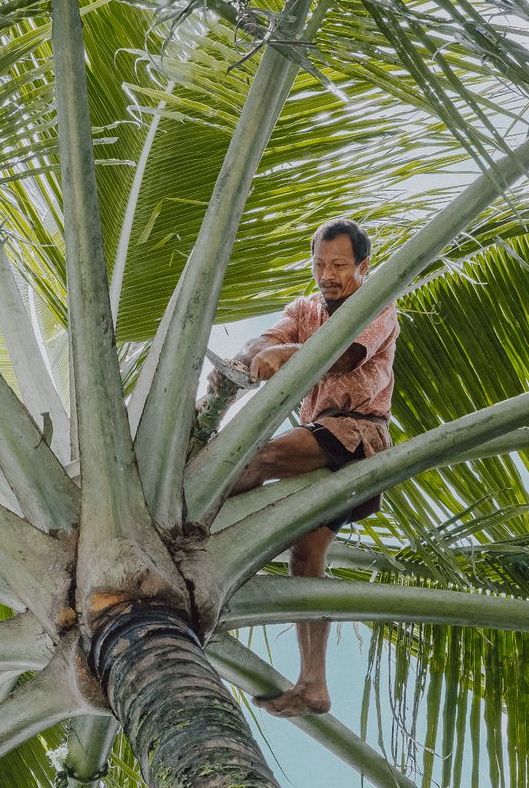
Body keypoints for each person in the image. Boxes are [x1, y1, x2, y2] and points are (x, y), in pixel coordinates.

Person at [210, 218, 399, 717]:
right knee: (305, 560)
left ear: (362, 265)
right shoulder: (306, 309)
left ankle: (196, 525)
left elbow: (340, 358)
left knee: (257, 457)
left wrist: (284, 354)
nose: (327, 274)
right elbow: (266, 340)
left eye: (338, 265)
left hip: (353, 437)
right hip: (319, 442)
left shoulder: (378, 302)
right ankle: (314, 684)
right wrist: (242, 358)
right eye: (319, 264)